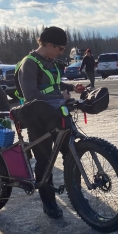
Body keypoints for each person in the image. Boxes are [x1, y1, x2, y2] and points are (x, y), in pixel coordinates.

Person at [15, 26, 84, 218]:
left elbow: (54, 84)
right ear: (49, 44)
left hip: (58, 115)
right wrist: (59, 98)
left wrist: (72, 87)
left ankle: (77, 196)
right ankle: (49, 203)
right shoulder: (29, 63)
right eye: (60, 48)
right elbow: (31, 95)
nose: (62, 52)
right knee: (45, 162)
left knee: (72, 154)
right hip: (39, 119)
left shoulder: (50, 62)